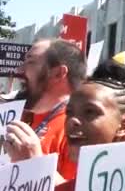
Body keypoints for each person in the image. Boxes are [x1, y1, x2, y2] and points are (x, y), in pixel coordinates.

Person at [6, 39, 86, 180]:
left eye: (30, 62)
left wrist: (35, 163)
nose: (19, 70)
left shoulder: (79, 129)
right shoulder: (16, 116)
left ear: (58, 73)